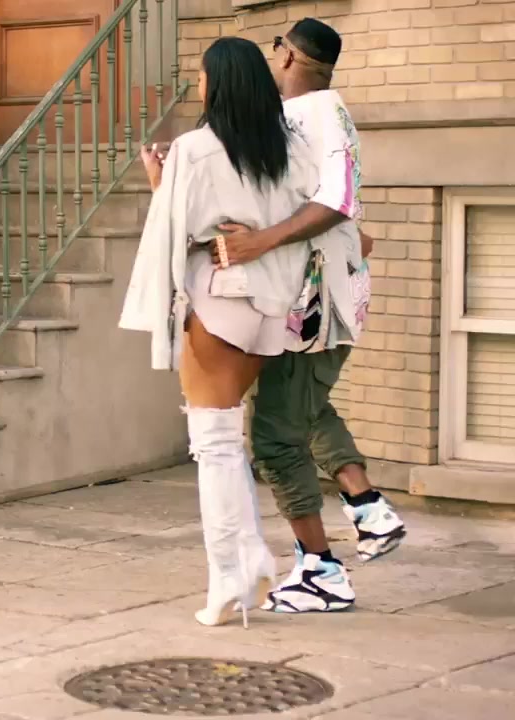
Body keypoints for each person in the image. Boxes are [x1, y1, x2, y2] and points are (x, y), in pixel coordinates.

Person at [119, 37, 362, 628]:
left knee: (215, 444)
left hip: (219, 301)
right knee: (226, 441)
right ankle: (244, 561)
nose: (199, 86)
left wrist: (159, 180)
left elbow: (174, 230)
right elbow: (321, 212)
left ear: (218, 84)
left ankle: (234, 571)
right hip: (270, 304)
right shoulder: (292, 147)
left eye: (203, 77)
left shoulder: (196, 149)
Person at [211, 19, 407, 614]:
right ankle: (368, 509)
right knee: (306, 408)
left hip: (315, 306)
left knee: (275, 438)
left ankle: (321, 572)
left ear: (288, 55)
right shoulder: (298, 115)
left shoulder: (320, 113)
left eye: (276, 48)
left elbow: (337, 200)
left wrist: (260, 241)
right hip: (307, 295)